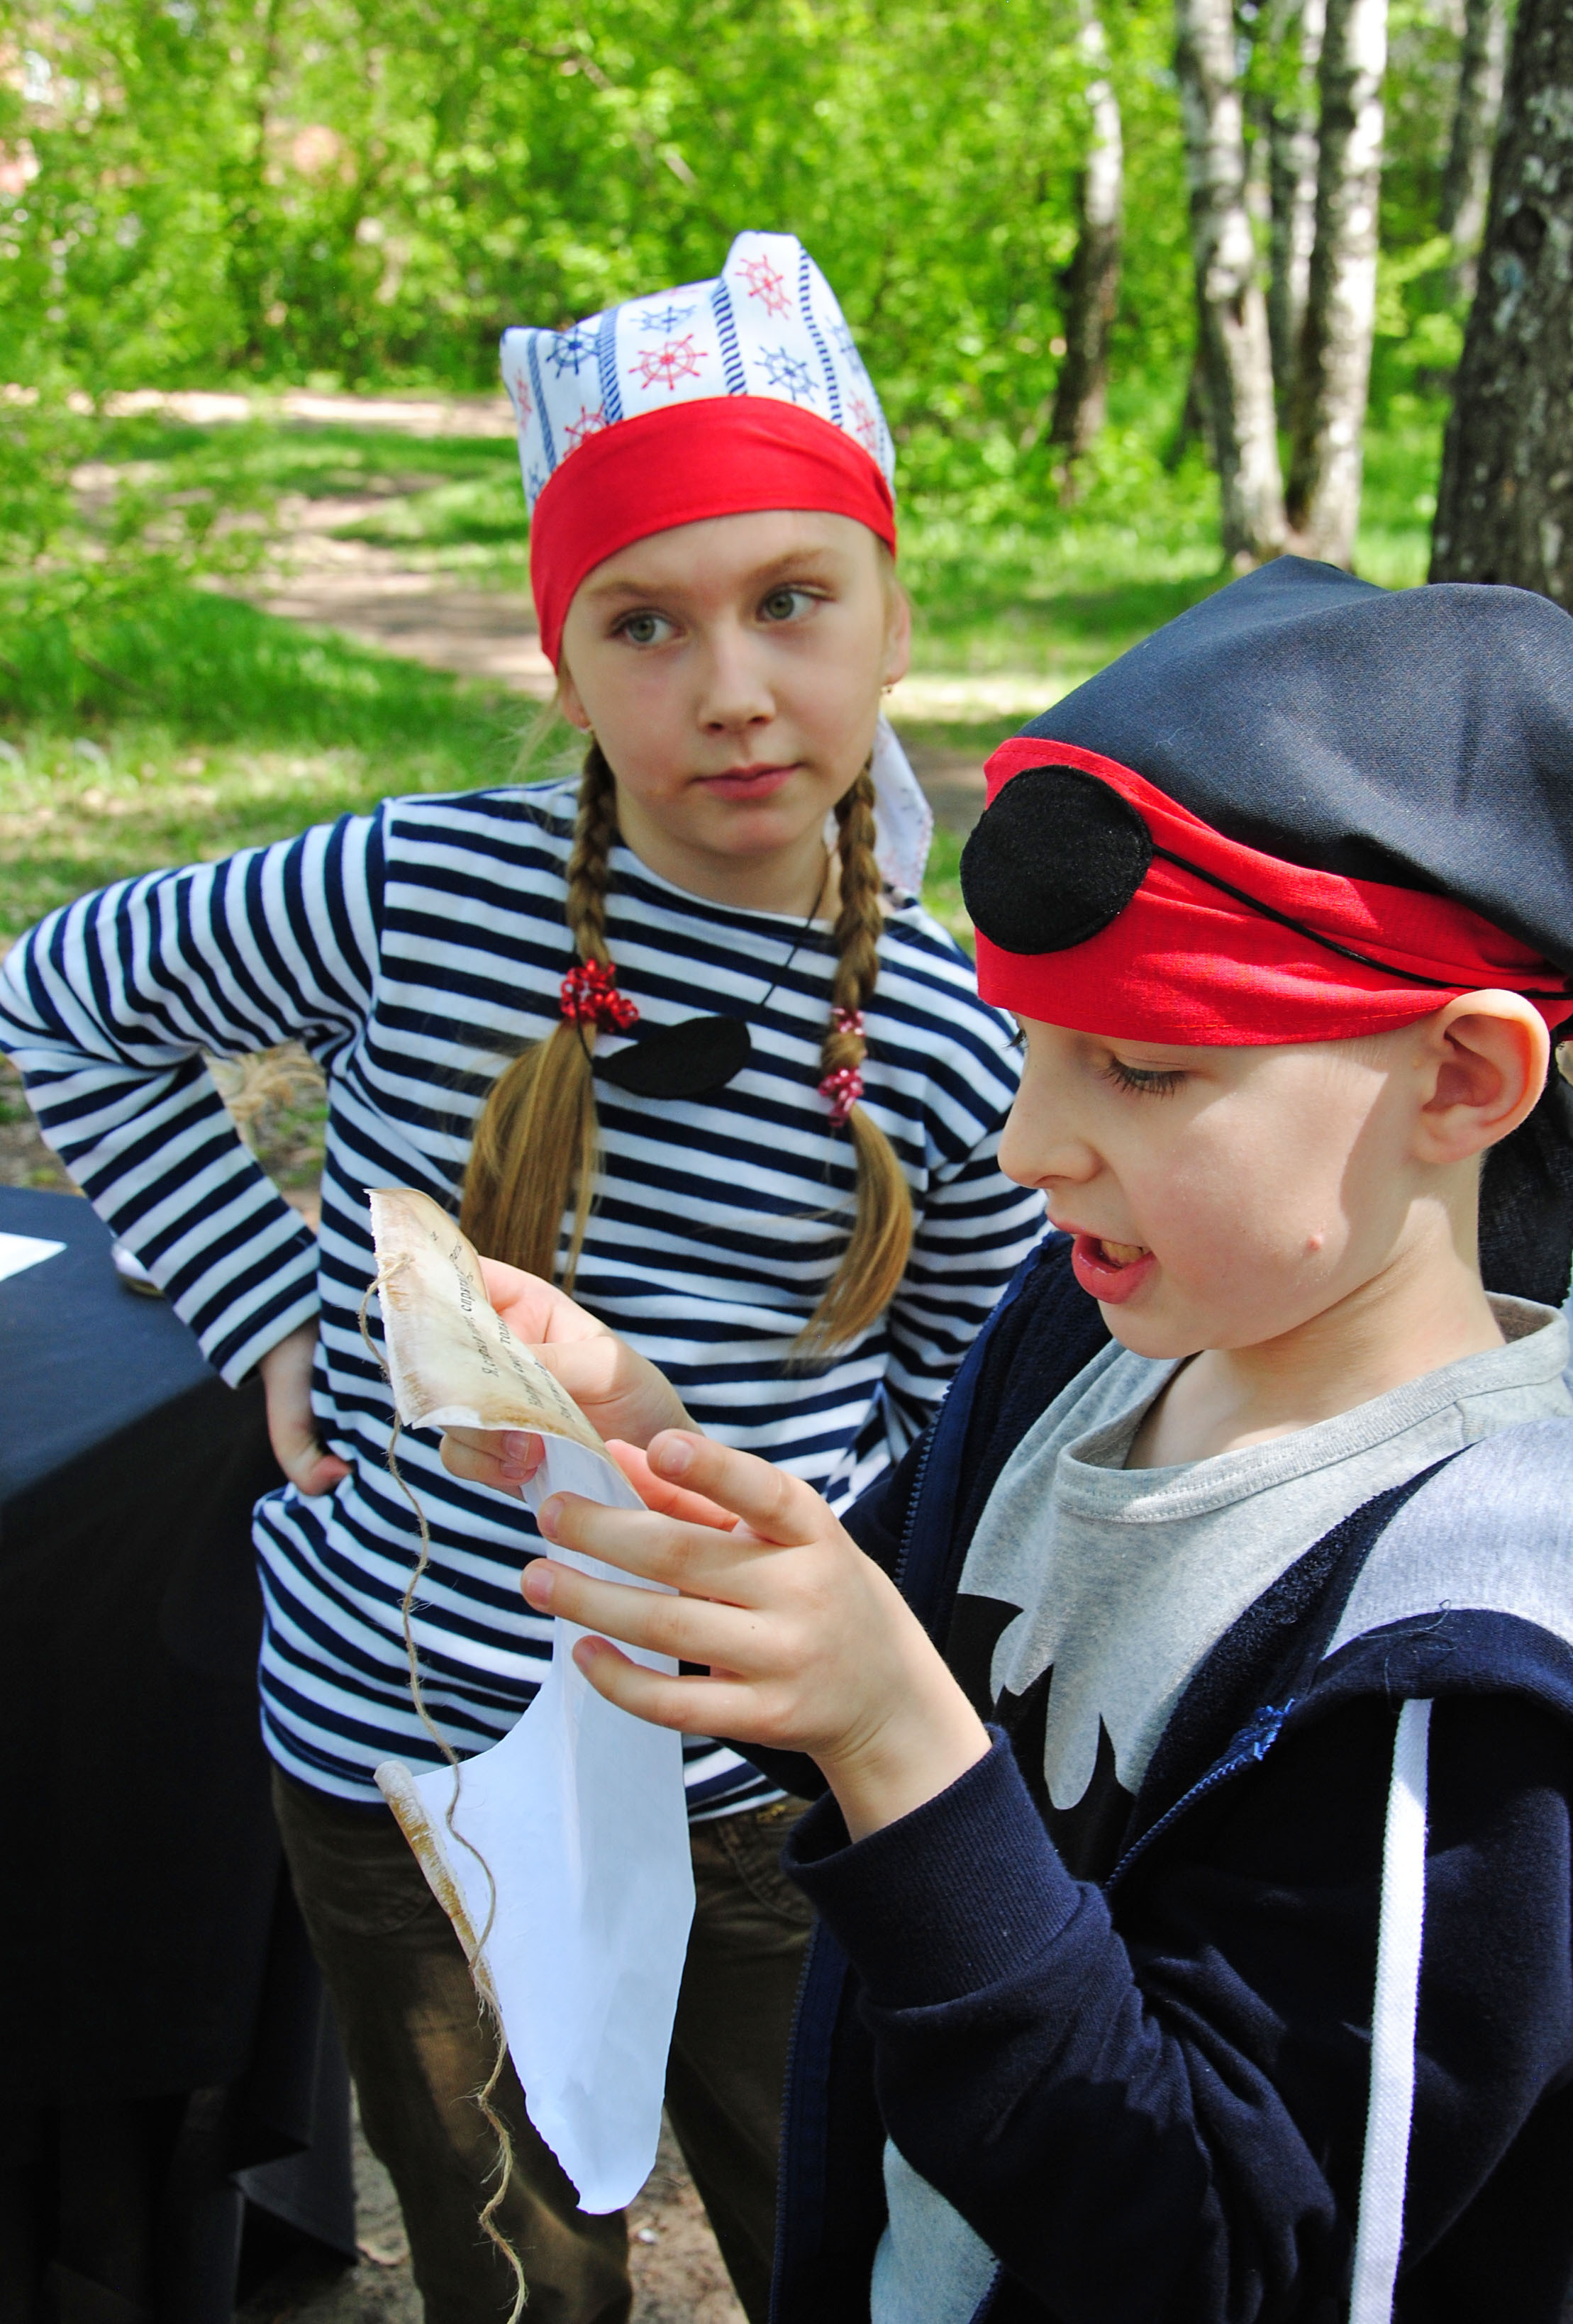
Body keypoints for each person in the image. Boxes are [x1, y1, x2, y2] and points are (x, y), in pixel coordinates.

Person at [0, 233, 1043, 2324]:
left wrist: (708, 1465)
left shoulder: (946, 1031)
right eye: (646, 623)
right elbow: (64, 997)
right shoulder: (414, 892)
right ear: (561, 664)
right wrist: (270, 1311)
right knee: (500, 2234)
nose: (731, 687)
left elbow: (986, 1412)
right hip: (398, 1737)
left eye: (792, 602)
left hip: (753, 1773)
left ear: (896, 618)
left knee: (810, 2207)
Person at [452, 559, 1573, 2323]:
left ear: (1459, 1082)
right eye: (1028, 1050)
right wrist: (663, 1468)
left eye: (1141, 1071)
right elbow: (896, 1655)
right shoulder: (1084, 1336)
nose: (1025, 1145)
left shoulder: (1468, 1654)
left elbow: (1217, 2248)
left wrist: (897, 1733)